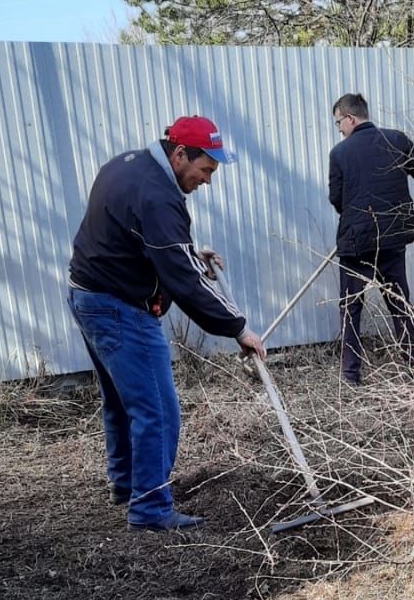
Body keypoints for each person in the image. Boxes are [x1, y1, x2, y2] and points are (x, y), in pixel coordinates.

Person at [67, 115, 266, 532]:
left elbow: (148, 241)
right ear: (179, 155)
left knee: (123, 401)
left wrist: (193, 254)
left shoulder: (129, 163)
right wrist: (238, 328)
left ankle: (127, 485)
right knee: (157, 409)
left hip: (89, 295)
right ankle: (151, 508)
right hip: (119, 307)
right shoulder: (158, 195)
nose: (208, 180)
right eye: (205, 169)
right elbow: (183, 277)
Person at [328, 93, 414, 386]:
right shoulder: (397, 140)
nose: (339, 129)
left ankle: (351, 377)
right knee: (400, 303)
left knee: (350, 310)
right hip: (391, 240)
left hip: (355, 244)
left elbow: (337, 200)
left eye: (339, 122)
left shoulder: (339, 154)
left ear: (350, 118)